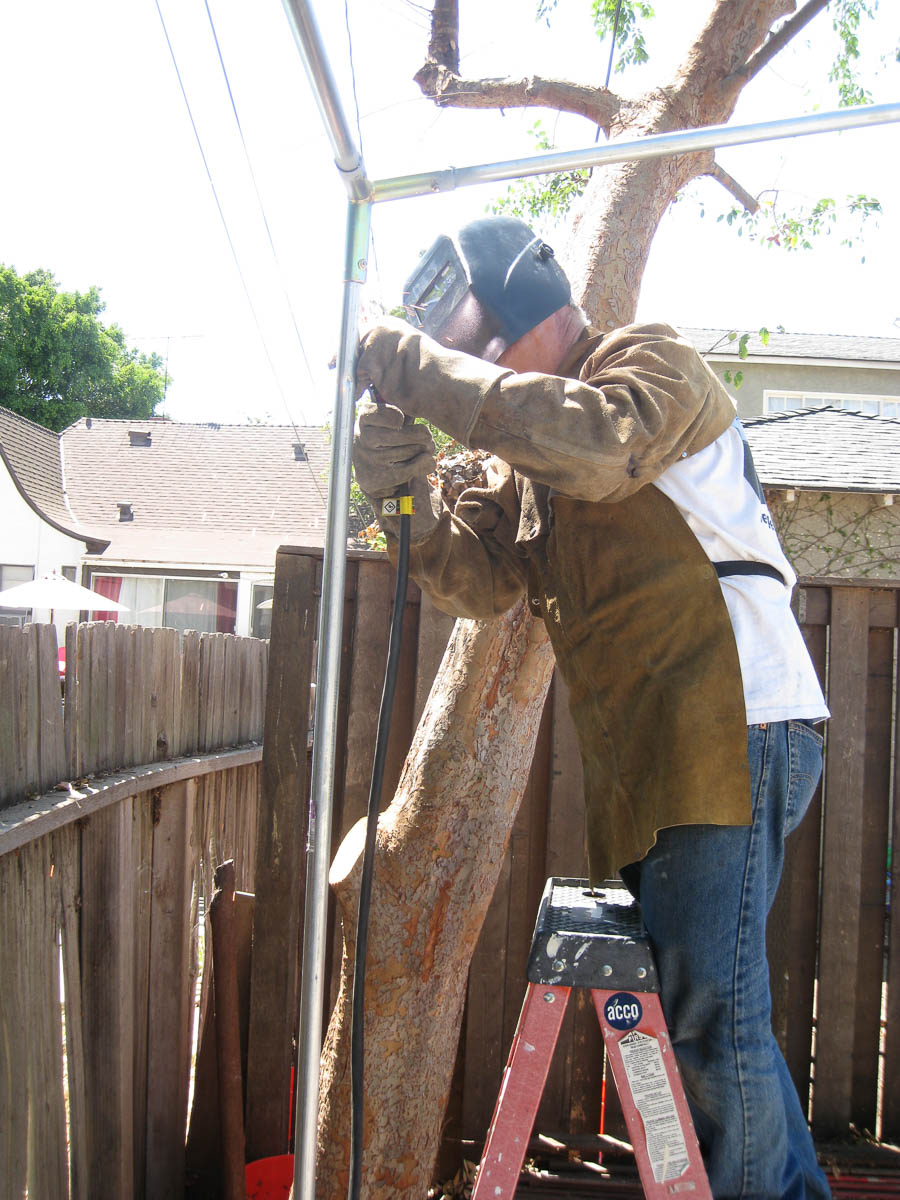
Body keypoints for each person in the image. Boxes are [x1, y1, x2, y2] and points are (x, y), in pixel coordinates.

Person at [352, 216, 830, 1199]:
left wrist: (412, 367)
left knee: (709, 1016)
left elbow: (599, 449)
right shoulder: (520, 466)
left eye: (473, 354)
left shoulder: (647, 369)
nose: (466, 380)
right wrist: (392, 480)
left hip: (734, 724)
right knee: (713, 1012)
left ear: (529, 313)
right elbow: (470, 583)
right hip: (655, 759)